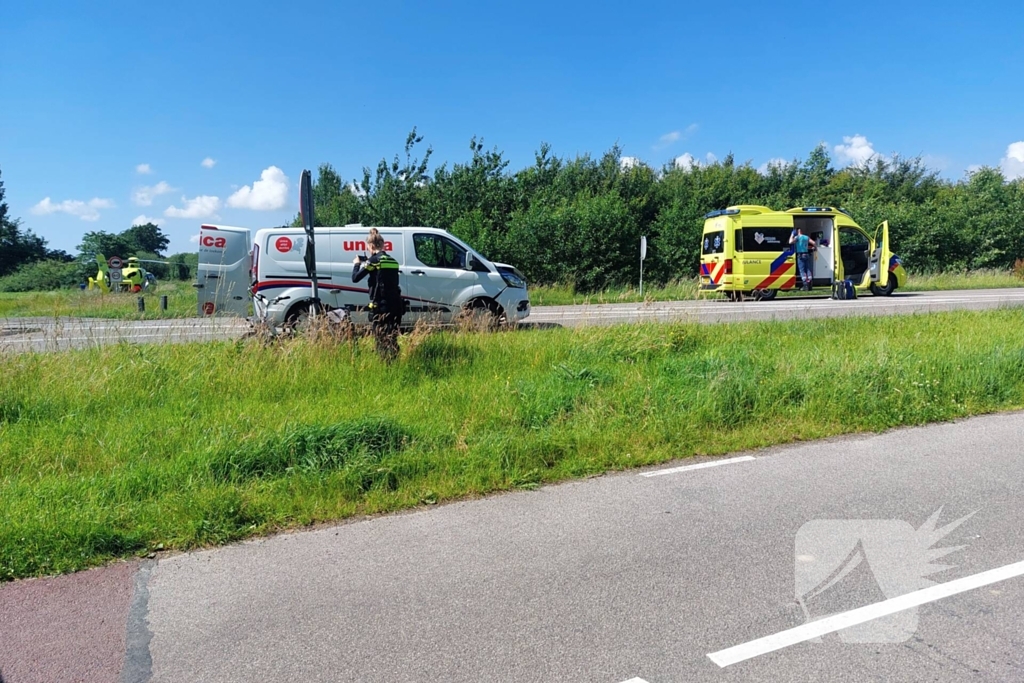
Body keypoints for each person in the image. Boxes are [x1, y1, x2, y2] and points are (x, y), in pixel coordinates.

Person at [352, 228, 404, 360]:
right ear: (383, 244)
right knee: (392, 336)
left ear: (371, 246)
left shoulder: (374, 261)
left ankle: (384, 363)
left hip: (380, 306)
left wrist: (357, 264)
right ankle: (395, 361)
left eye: (368, 247)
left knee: (380, 337)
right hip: (395, 305)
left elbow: (355, 278)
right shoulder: (393, 261)